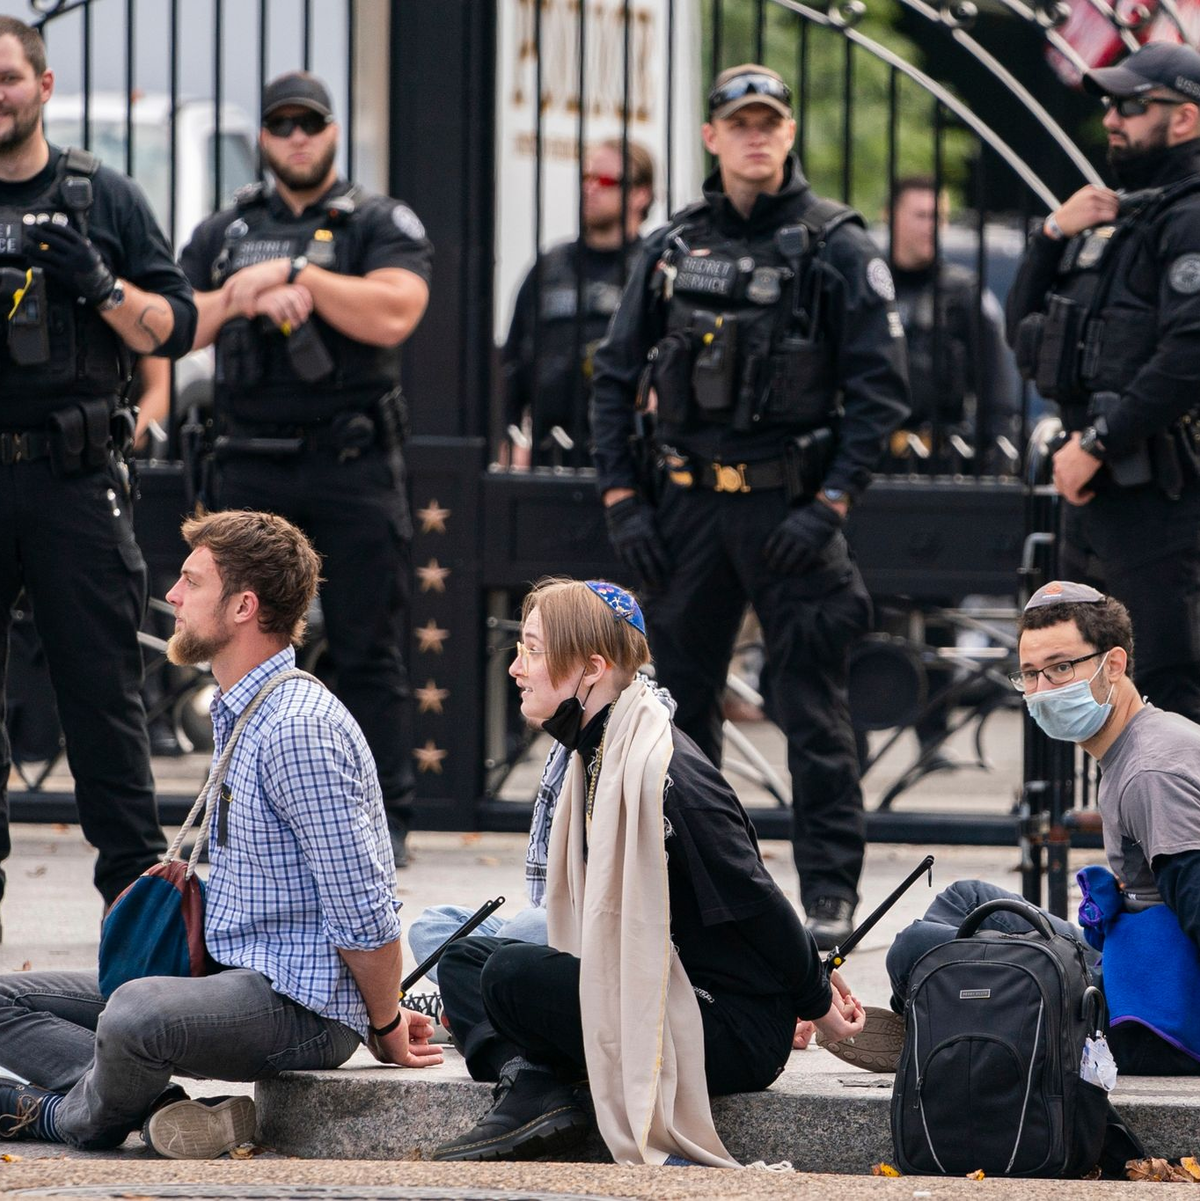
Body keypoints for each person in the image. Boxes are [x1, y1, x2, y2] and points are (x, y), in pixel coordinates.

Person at [0, 509, 443, 1157]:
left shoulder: (298, 728)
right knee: (8, 999)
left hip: (300, 1005)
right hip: (233, 970)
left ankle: (57, 1117)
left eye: (190, 582)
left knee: (134, 1014)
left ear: (243, 605)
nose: (173, 597)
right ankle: (161, 1110)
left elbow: (365, 910)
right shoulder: (244, 706)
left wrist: (384, 1021)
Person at [591, 63, 910, 948]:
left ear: (790, 132)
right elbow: (614, 380)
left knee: (810, 707)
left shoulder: (836, 243)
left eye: (771, 121)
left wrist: (834, 504)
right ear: (712, 137)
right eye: (740, 122)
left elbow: (881, 395)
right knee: (676, 714)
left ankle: (829, 901)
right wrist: (624, 500)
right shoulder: (670, 248)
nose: (756, 136)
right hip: (685, 511)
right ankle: (700, 891)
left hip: (790, 507)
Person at [431, 578, 866, 1165]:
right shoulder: (595, 750)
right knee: (463, 956)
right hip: (652, 981)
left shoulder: (665, 776)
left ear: (591, 667)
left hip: (726, 1024)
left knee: (510, 974)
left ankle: (534, 1086)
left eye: (532, 650)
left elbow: (756, 898)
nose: (515, 667)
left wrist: (815, 1001)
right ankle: (537, 1084)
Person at [180, 70, 433, 867]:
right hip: (251, 468)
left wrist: (300, 280)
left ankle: (382, 819)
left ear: (331, 134)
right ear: (263, 135)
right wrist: (244, 293)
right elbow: (178, 324)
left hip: (350, 464)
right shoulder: (225, 230)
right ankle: (239, 811)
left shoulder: (375, 220)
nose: (297, 136)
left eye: (311, 123)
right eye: (282, 123)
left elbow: (398, 307)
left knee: (367, 646)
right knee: (239, 644)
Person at [838, 581, 1200, 1077]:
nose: (1043, 689)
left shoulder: (1150, 774)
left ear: (1113, 665)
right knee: (968, 899)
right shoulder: (1144, 739)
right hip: (1133, 962)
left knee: (916, 949)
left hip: (1153, 1015)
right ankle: (942, 1023)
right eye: (1030, 674)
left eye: (1061, 668)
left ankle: (953, 1029)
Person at [0, 17, 197, 915]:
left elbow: (179, 326)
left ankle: (139, 978)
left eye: (7, 77)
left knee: (107, 720)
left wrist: (100, 285)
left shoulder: (99, 199)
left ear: (43, 86)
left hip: (75, 481)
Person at [1007, 42, 1200, 725]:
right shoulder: (1121, 216)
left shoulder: (1188, 217)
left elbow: (1187, 356)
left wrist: (1096, 441)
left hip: (1160, 495)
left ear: (1185, 120)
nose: (1112, 120)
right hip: (1099, 494)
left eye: (1131, 105)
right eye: (1111, 106)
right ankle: (1129, 832)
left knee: (1167, 688)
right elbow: (1025, 334)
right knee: (1094, 691)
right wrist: (1052, 233)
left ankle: (1179, 836)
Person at [502, 138, 654, 468]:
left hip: (631, 458)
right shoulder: (549, 266)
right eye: (585, 178)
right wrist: (508, 438)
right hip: (551, 454)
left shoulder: (651, 269)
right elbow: (512, 363)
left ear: (641, 194)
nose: (590, 189)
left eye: (604, 181)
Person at [887, 175, 1019, 467]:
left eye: (939, 217)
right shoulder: (870, 288)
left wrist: (996, 457)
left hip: (944, 459)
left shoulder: (962, 293)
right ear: (890, 216)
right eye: (921, 216)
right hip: (874, 457)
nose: (931, 226)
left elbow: (996, 389)